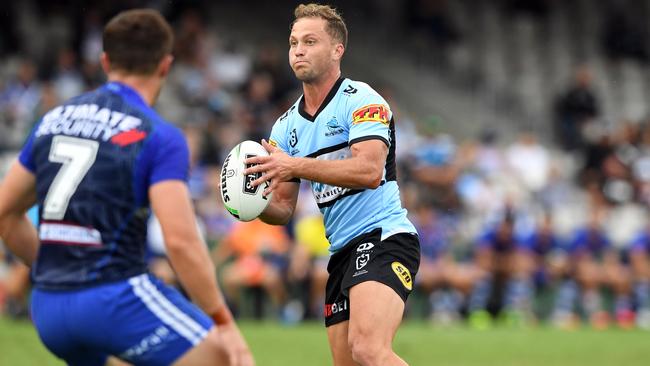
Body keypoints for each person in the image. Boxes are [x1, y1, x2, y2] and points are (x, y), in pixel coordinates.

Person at [0, 9, 254, 366]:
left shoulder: (52, 120)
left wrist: (50, 271)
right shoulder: (160, 136)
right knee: (223, 355)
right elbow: (180, 241)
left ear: (105, 61)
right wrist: (224, 322)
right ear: (165, 65)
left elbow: (5, 212)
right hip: (112, 298)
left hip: (48, 308)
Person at [244, 4, 420, 365]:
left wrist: (292, 164)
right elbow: (283, 209)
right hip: (340, 253)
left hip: (384, 236)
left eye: (310, 41)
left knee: (369, 350)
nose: (298, 50)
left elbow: (369, 172)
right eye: (294, 42)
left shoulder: (363, 100)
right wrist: (249, 201)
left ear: (337, 50)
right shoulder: (285, 127)